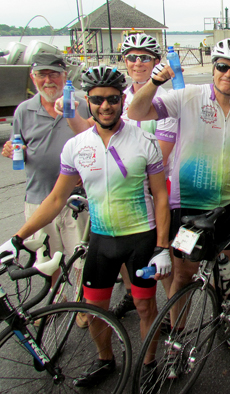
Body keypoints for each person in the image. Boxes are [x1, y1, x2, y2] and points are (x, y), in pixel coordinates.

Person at [0, 65, 172, 387]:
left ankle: (149, 364)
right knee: (94, 311)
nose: (105, 106)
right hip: (102, 240)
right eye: (97, 100)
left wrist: (162, 247)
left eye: (111, 99)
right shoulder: (76, 146)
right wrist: (17, 239)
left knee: (145, 306)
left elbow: (161, 197)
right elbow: (55, 200)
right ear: (88, 102)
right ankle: (105, 360)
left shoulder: (144, 141)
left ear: (122, 100)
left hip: (142, 238)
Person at [127, 38, 230, 352]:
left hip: (226, 207)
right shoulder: (188, 96)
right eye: (222, 66)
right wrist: (156, 81)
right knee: (183, 275)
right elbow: (137, 111)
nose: (228, 74)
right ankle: (177, 339)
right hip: (188, 209)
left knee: (225, 273)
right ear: (213, 69)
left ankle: (226, 323)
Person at [56, 33, 178, 320]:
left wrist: (119, 173)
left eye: (145, 58)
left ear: (157, 63)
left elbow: (161, 154)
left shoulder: (166, 99)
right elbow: (91, 130)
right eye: (132, 57)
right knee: (129, 265)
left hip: (155, 190)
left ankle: (176, 326)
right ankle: (134, 298)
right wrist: (70, 114)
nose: (138, 63)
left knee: (165, 265)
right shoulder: (119, 95)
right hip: (122, 193)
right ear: (125, 61)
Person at [1, 53, 89, 294]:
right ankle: (54, 307)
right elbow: (18, 144)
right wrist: (11, 149)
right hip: (38, 198)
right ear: (33, 77)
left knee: (81, 260)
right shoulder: (23, 110)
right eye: (41, 75)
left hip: (75, 199)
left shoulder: (82, 103)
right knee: (47, 262)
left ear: (64, 76)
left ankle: (82, 309)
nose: (48, 80)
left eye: (53, 74)